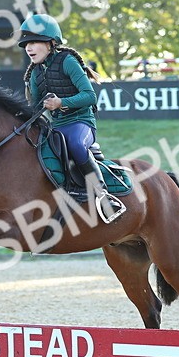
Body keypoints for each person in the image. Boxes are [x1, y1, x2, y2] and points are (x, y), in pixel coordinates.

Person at [19, 13, 125, 223]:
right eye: (26, 44)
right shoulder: (34, 74)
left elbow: (89, 96)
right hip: (55, 127)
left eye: (34, 42)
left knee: (76, 145)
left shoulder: (67, 61)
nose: (29, 48)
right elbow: (34, 108)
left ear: (50, 43)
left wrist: (60, 103)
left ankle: (104, 196)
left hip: (81, 123)